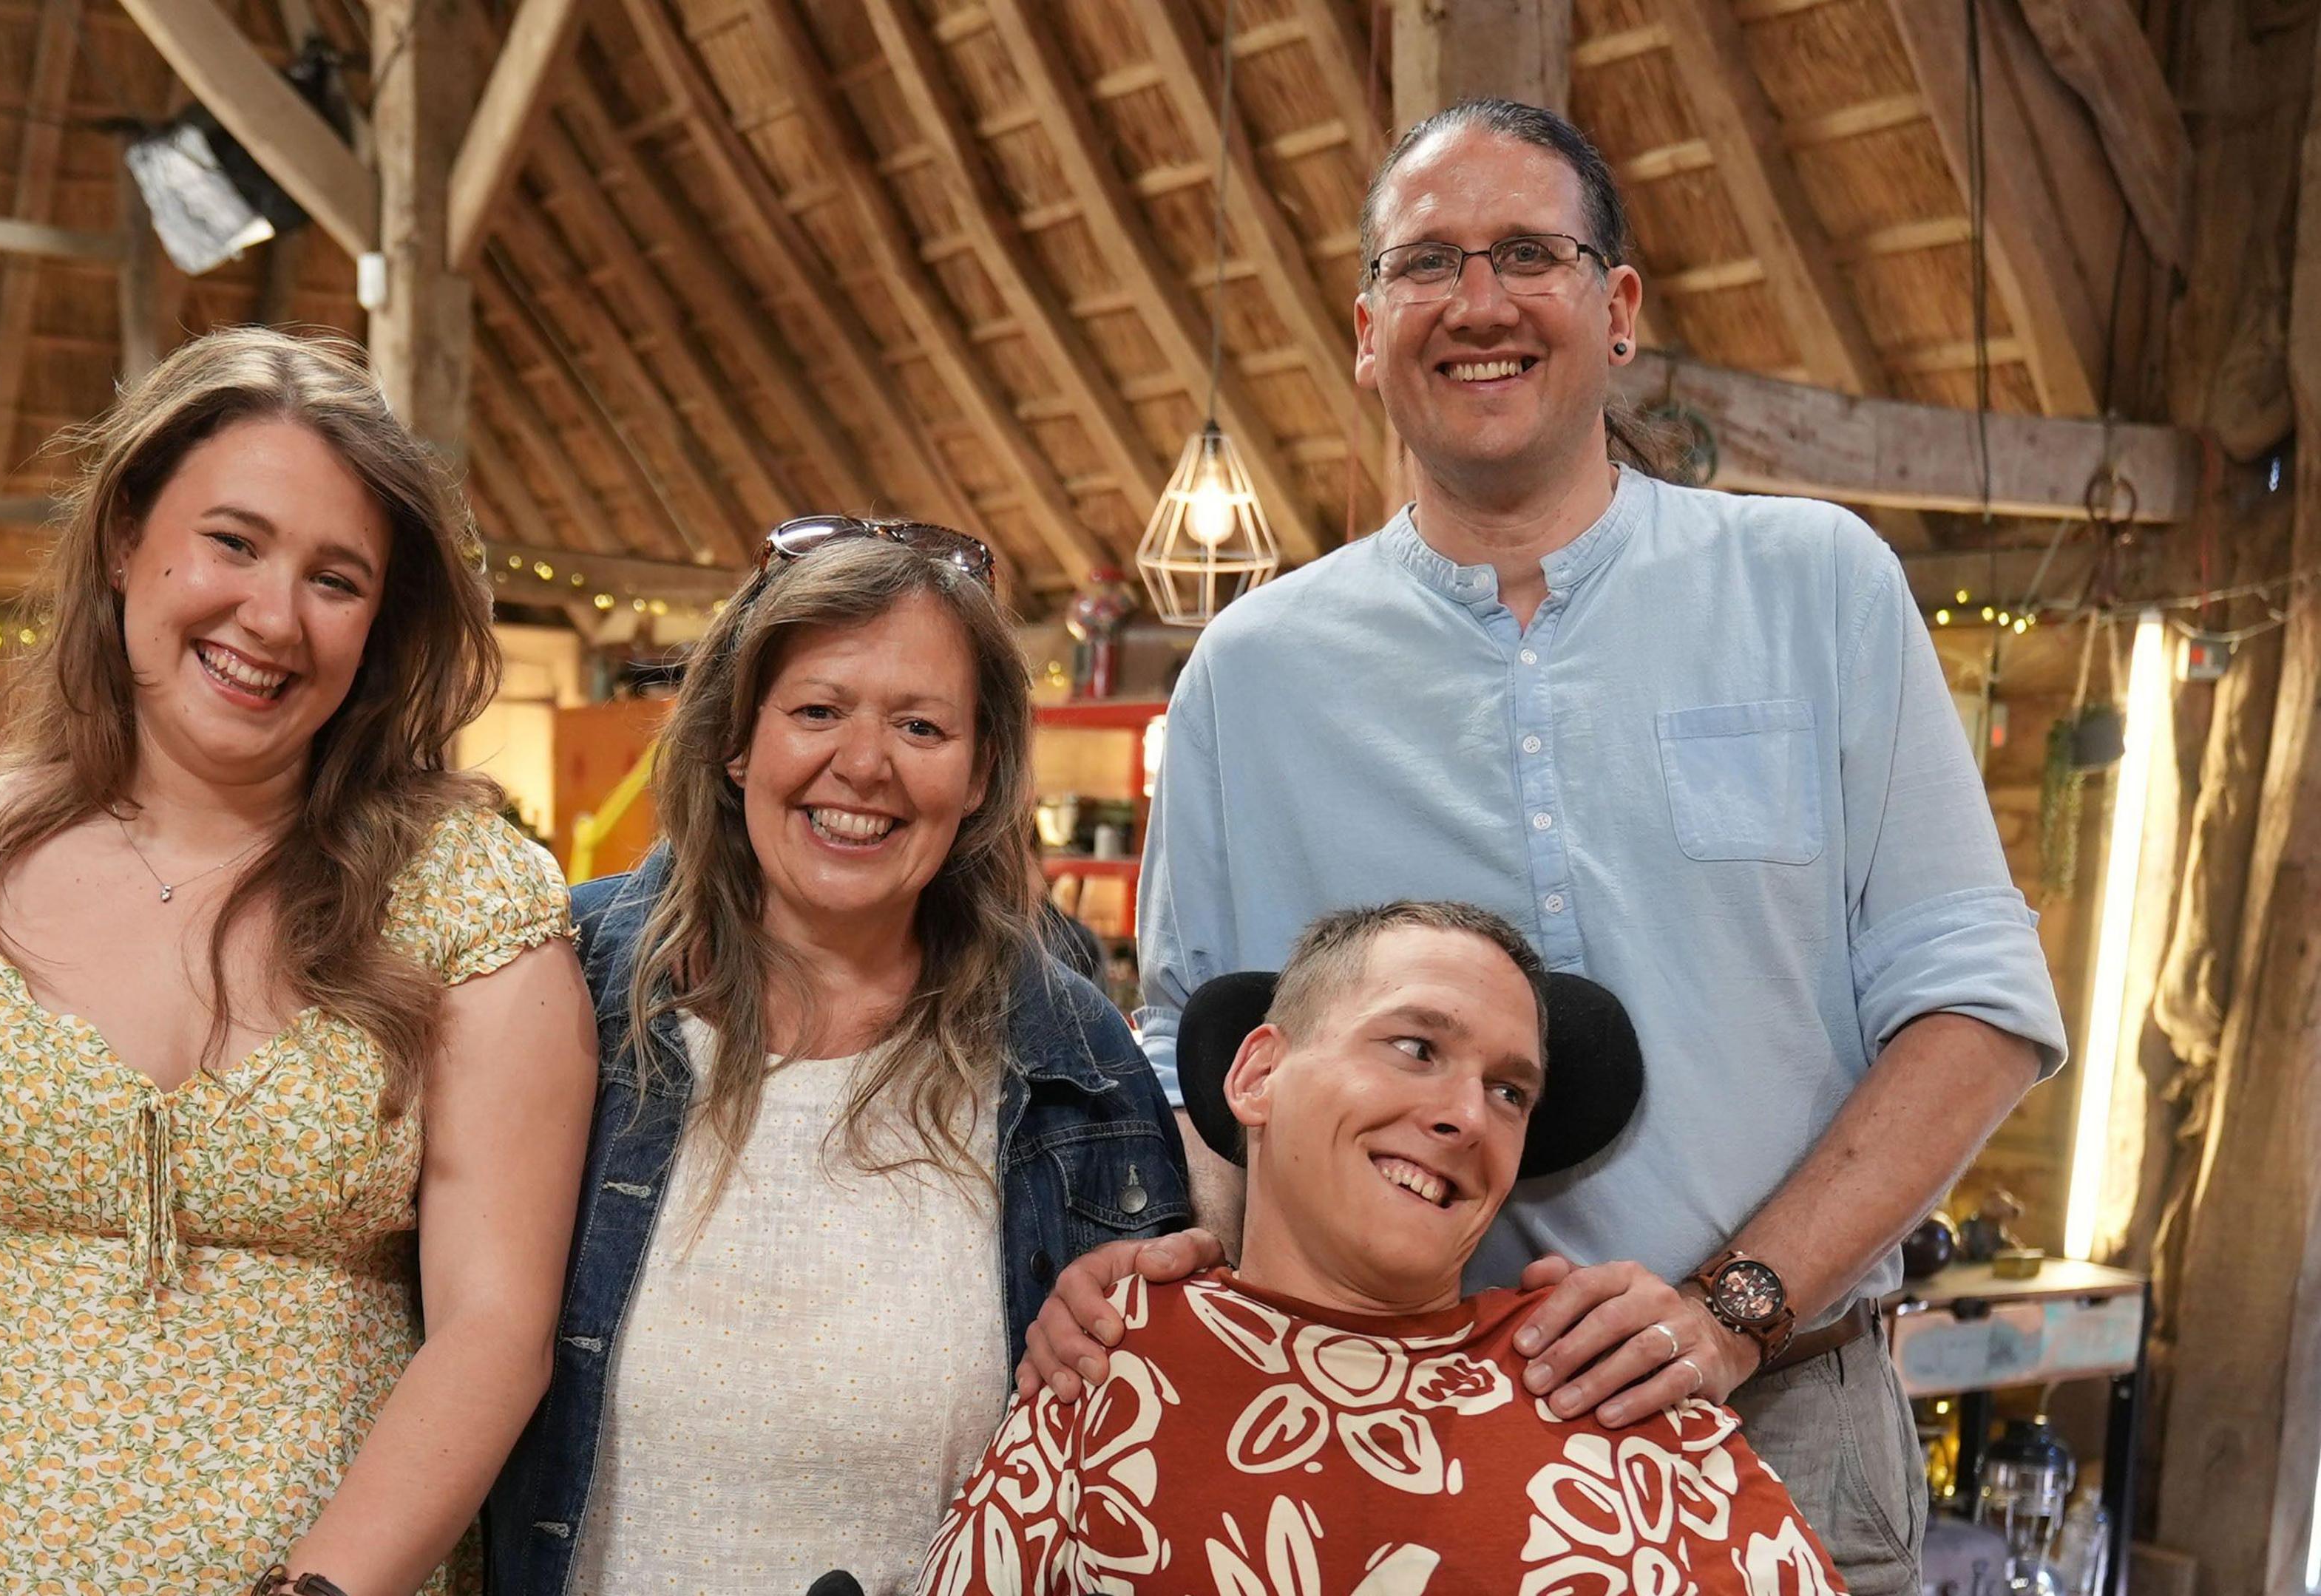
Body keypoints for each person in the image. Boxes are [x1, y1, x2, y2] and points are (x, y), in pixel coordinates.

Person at [1022, 100, 2064, 1591]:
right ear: (1370, 327)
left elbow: (1977, 1000)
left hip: (1790, 1413)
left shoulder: (1813, 585)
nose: (1482, 300)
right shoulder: (1251, 674)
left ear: (1617, 308)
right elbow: (1209, 1051)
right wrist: (1153, 1263)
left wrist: (1732, 1309)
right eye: (1430, 262)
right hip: (1381, 1439)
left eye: (1531, 251)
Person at [0, 328, 597, 1596]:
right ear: (126, 535)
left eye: (336, 578)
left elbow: (496, 1330)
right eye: (233, 542)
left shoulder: (472, 899)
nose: (272, 617)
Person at [484, 517, 1192, 1596]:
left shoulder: (1075, 1063)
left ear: (980, 770)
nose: (863, 764)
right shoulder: (561, 985)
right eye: (817, 710)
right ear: (736, 738)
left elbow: (1138, 1452)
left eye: (920, 724)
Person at [923, 903, 1843, 1594]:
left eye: (1511, 1092)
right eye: (1414, 1046)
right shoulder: (1112, 1359)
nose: (1465, 1114)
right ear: (1259, 1072)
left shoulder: (1611, 1384)